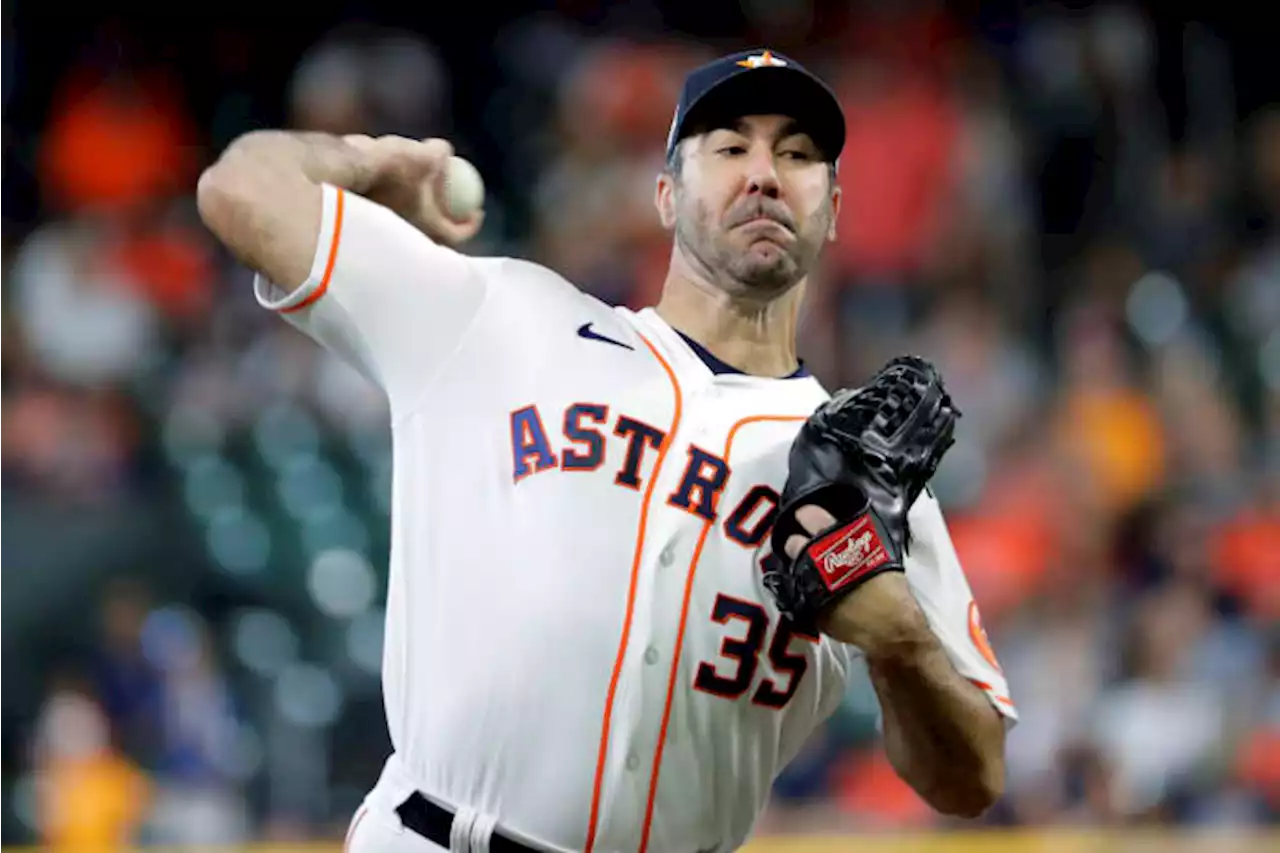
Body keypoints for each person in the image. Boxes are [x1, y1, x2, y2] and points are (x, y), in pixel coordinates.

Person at [197, 47, 1015, 853]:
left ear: (835, 211)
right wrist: (368, 163)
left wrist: (901, 642)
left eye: (798, 155)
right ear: (665, 194)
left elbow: (971, 778)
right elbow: (239, 188)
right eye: (730, 147)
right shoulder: (500, 318)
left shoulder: (868, 482)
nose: (764, 174)